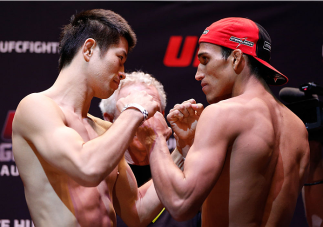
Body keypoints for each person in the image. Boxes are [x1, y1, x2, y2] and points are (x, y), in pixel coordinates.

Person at [136, 17, 310, 226]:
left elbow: (180, 204)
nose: (198, 74)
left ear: (236, 58)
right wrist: (188, 148)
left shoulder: (222, 113)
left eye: (205, 60)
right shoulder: (298, 129)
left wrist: (156, 137)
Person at [12, 9, 171, 227]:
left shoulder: (104, 130)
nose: (123, 72)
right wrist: (134, 111)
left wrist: (182, 151)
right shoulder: (36, 107)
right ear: (89, 49)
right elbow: (88, 168)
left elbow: (138, 211)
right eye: (120, 58)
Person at [99, 71, 201, 227]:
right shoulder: (97, 180)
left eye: (151, 110)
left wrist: (185, 149)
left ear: (163, 115)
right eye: (133, 111)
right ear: (109, 119)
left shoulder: (190, 176)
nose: (144, 120)